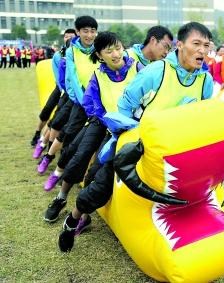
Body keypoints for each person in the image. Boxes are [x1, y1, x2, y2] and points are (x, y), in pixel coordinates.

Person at [58, 21, 214, 252]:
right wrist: (131, 134)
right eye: (196, 44)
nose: (202, 50)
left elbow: (202, 117)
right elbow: (125, 105)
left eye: (207, 45)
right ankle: (73, 219)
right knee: (100, 188)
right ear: (179, 45)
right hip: (138, 145)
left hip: (175, 152)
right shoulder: (156, 71)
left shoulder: (205, 82)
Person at [43, 26, 174, 224]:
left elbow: (148, 98)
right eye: (109, 51)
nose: (116, 54)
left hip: (128, 127)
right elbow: (89, 102)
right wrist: (104, 118)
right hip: (103, 121)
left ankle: (83, 215)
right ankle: (60, 198)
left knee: (97, 168)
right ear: (100, 55)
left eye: (118, 48)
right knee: (80, 154)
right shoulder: (98, 75)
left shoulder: (137, 68)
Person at [34, 16, 99, 169]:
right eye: (85, 31)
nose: (89, 35)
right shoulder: (68, 53)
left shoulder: (98, 50)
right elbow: (72, 79)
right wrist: (83, 100)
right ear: (78, 32)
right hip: (74, 97)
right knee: (63, 129)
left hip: (96, 101)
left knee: (89, 137)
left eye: (93, 31)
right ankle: (48, 155)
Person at [31, 29, 77, 148]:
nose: (68, 38)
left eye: (71, 36)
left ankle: (49, 142)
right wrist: (63, 90)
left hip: (73, 90)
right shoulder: (58, 55)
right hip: (61, 89)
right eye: (66, 36)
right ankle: (38, 134)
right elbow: (58, 77)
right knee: (48, 110)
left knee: (60, 116)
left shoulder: (78, 53)